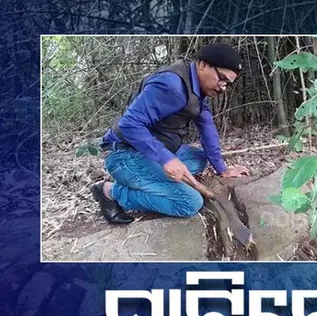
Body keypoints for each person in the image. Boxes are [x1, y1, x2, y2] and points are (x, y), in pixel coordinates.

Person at [91, 43, 249, 224]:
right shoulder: (171, 85)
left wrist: (222, 168)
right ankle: (110, 191)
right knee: (189, 202)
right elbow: (129, 123)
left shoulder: (198, 89)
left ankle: (151, 180)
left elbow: (207, 127)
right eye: (221, 78)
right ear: (203, 64)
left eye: (227, 84)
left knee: (201, 158)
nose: (222, 87)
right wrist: (167, 159)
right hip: (126, 155)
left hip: (155, 151)